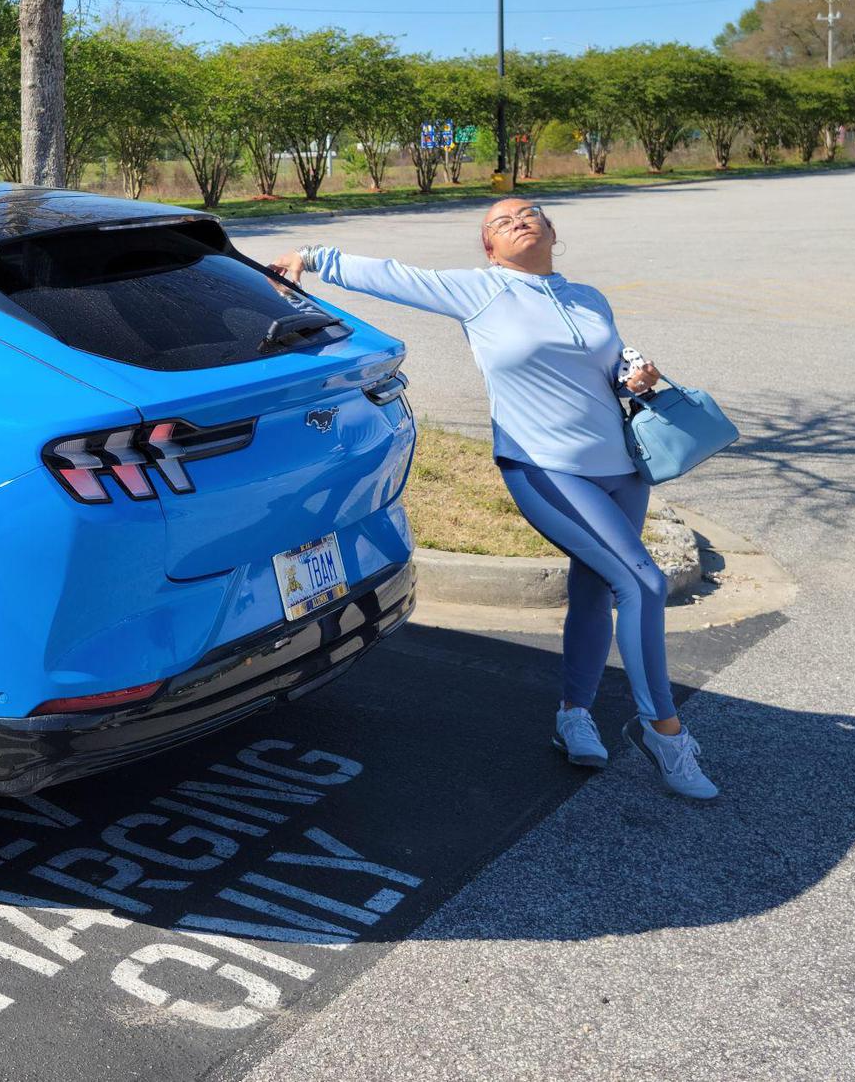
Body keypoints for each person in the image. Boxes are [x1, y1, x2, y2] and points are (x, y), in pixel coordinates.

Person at [268, 200, 718, 801]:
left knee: (595, 588)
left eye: (530, 214)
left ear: (552, 231)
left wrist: (633, 375)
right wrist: (312, 257)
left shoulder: (588, 297)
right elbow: (396, 275)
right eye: (502, 222)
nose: (519, 222)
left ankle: (574, 716)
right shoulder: (480, 291)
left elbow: (605, 366)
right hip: (545, 467)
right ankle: (664, 734)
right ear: (489, 248)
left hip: (621, 470)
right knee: (643, 583)